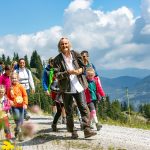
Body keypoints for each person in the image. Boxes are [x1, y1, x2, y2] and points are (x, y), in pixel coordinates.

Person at [53, 37, 97, 139]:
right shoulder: (57, 59)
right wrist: (67, 72)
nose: (64, 46)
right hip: (66, 88)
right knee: (69, 111)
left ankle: (87, 129)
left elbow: (84, 67)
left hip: (78, 85)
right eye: (62, 44)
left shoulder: (76, 54)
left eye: (66, 44)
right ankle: (72, 131)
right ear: (59, 46)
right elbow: (57, 75)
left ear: (69, 44)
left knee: (83, 107)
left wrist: (80, 71)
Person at [7, 72, 28, 141]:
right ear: (10, 79)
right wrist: (10, 101)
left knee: (21, 120)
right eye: (12, 78)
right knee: (18, 119)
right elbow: (8, 97)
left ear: (18, 79)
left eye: (15, 78)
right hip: (14, 106)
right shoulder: (10, 88)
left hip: (21, 106)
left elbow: (25, 95)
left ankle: (17, 130)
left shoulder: (21, 87)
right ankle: (19, 134)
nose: (14, 79)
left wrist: (25, 103)